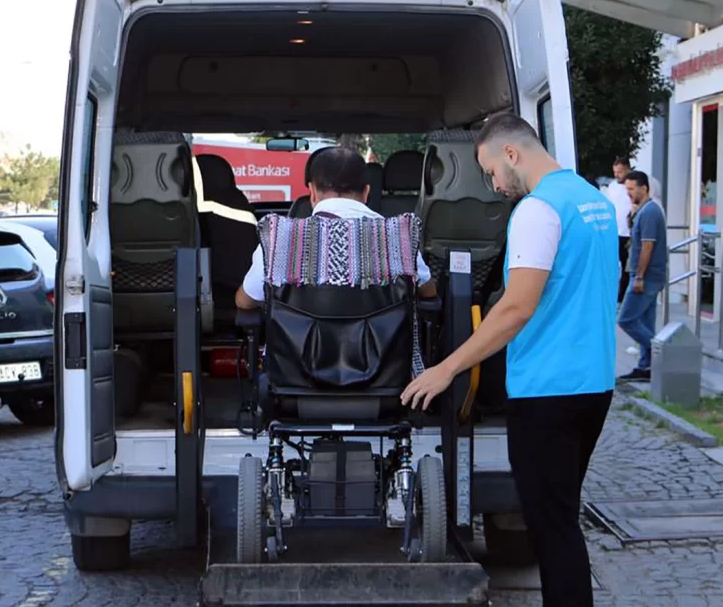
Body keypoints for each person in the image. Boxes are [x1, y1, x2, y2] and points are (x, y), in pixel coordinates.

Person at [400, 113, 618, 607]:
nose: (495, 185)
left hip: (548, 389)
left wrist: (447, 367)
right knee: (561, 519)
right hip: (594, 383)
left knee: (552, 529)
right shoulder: (593, 201)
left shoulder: (538, 211)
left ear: (512, 154)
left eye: (492, 171)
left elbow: (516, 307)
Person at [236, 146, 436, 309]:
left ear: (312, 192)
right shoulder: (396, 238)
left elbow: (246, 301)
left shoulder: (279, 240)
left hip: (298, 358)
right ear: (367, 192)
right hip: (383, 357)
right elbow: (428, 292)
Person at [617, 170, 668, 382]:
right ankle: (646, 366)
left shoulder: (649, 212)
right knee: (646, 323)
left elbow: (648, 245)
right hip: (647, 276)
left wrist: (638, 277)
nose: (628, 193)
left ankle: (664, 353)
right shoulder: (644, 210)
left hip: (645, 277)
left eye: (631, 189)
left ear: (644, 188)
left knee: (626, 319)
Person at [604, 156, 633, 303]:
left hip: (629, 234)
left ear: (628, 169)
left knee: (628, 265)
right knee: (613, 265)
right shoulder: (612, 187)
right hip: (614, 232)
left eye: (620, 171)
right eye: (615, 172)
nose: (617, 175)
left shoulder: (634, 185)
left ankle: (622, 298)